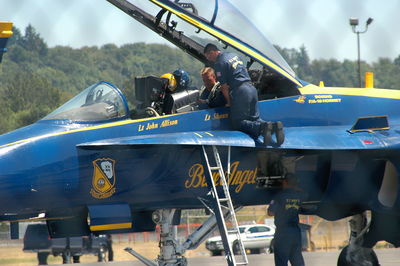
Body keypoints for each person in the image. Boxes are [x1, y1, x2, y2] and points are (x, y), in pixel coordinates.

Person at [203, 43, 284, 145]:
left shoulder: (219, 63)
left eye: (208, 56)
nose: (209, 60)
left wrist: (229, 103)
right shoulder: (233, 55)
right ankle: (274, 125)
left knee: (238, 122)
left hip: (240, 91)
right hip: (251, 89)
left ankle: (262, 128)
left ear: (212, 52)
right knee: (254, 118)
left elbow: (224, 87)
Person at [268, 175, 305, 266]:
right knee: (297, 260)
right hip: (295, 231)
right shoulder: (298, 196)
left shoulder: (279, 196)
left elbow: (270, 212)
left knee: (281, 260)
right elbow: (305, 196)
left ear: (285, 182)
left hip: (283, 232)